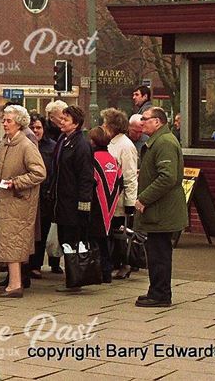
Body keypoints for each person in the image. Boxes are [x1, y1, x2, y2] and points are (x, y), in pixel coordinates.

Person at [0, 105, 47, 298]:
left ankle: (15, 285)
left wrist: (16, 182)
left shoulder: (25, 145)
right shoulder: (7, 143)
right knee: (8, 242)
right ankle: (14, 282)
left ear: (19, 123)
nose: (4, 123)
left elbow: (39, 172)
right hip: (7, 200)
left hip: (18, 202)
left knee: (13, 243)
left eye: (8, 121)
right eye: (4, 120)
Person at [134, 107, 188, 307]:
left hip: (161, 210)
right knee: (156, 252)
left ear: (157, 122)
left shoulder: (164, 142)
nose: (142, 122)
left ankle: (160, 295)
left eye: (145, 119)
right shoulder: (160, 141)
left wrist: (144, 199)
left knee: (159, 253)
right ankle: (156, 290)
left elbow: (167, 177)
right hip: (160, 210)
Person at [50, 104, 95, 292]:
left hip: (73, 201)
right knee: (64, 239)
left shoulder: (81, 145)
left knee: (72, 240)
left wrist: (84, 204)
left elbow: (86, 176)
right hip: (62, 200)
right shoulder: (63, 140)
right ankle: (72, 278)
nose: (62, 122)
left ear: (76, 124)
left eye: (66, 119)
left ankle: (75, 280)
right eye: (62, 118)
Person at [102, 107, 139, 279]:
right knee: (114, 232)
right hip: (111, 198)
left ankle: (126, 263)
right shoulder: (111, 142)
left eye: (105, 122)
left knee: (121, 232)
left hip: (120, 198)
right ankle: (116, 262)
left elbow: (130, 175)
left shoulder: (125, 146)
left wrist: (130, 203)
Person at [28, 112, 62, 276]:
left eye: (38, 127)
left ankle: (37, 265)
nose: (35, 131)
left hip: (45, 196)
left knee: (42, 232)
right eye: (32, 127)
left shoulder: (52, 146)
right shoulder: (26, 145)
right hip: (28, 196)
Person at [88, 126, 122, 284]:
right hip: (110, 205)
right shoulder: (113, 160)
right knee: (106, 240)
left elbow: (89, 182)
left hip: (95, 206)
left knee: (95, 241)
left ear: (93, 142)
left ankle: (97, 272)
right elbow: (121, 182)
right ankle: (107, 272)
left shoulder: (92, 159)